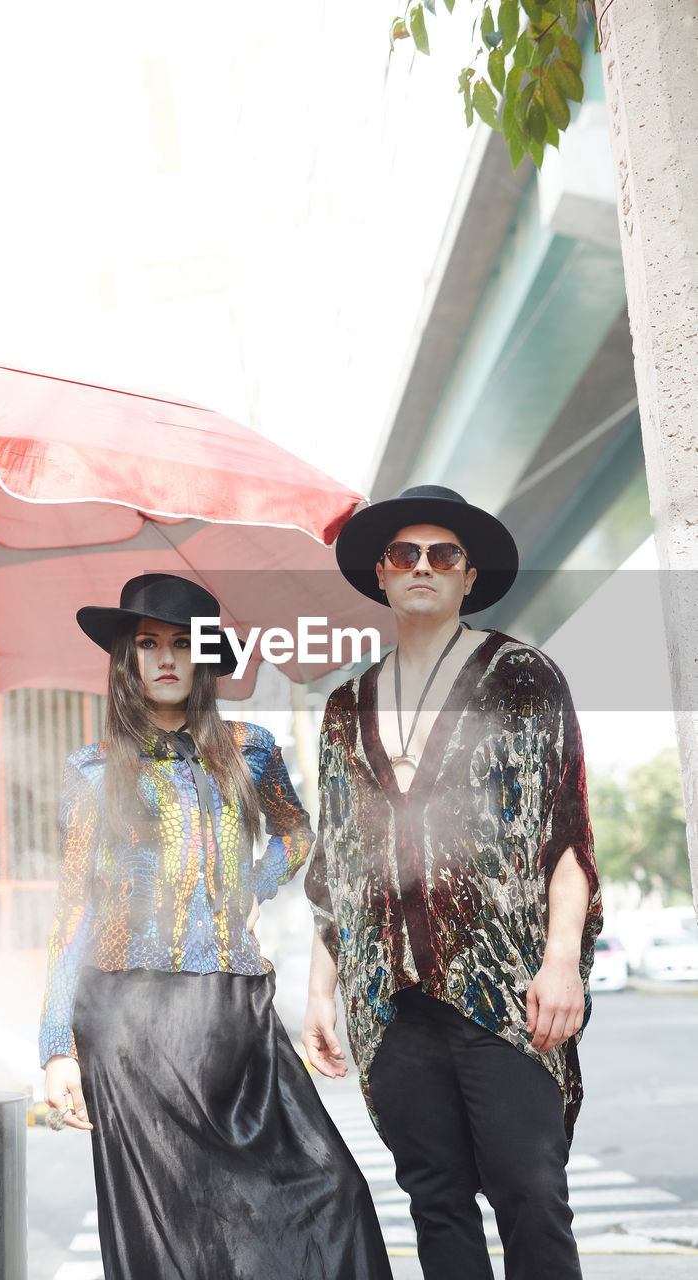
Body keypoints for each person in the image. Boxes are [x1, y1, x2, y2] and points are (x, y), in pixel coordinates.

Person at [39, 573, 392, 1280]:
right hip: (127, 1021)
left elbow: (296, 835)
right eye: (148, 643)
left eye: (182, 643)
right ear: (126, 659)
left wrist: (253, 887)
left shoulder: (248, 745)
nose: (165, 658)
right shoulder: (89, 770)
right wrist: (56, 1047)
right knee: (171, 1232)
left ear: (204, 659)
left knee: (331, 1190)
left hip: (236, 1008)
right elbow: (74, 906)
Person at [302, 486, 603, 1280]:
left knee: (530, 1190)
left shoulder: (522, 678)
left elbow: (565, 835)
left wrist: (561, 959)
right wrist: (319, 993)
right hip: (387, 996)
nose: (424, 567)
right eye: (406, 554)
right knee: (434, 1200)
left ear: (468, 576)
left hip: (503, 987)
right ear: (382, 574)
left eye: (443, 555)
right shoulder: (343, 707)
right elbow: (336, 862)